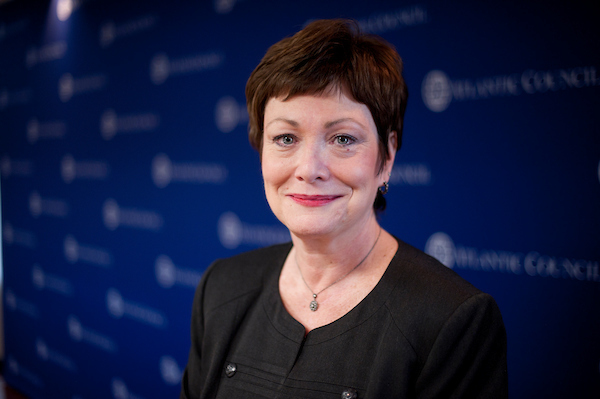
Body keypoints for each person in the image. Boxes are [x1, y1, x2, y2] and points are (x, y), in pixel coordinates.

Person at [180, 19, 508, 399]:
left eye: (342, 139)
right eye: (286, 138)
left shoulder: (453, 320)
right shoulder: (221, 288)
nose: (309, 169)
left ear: (386, 158)